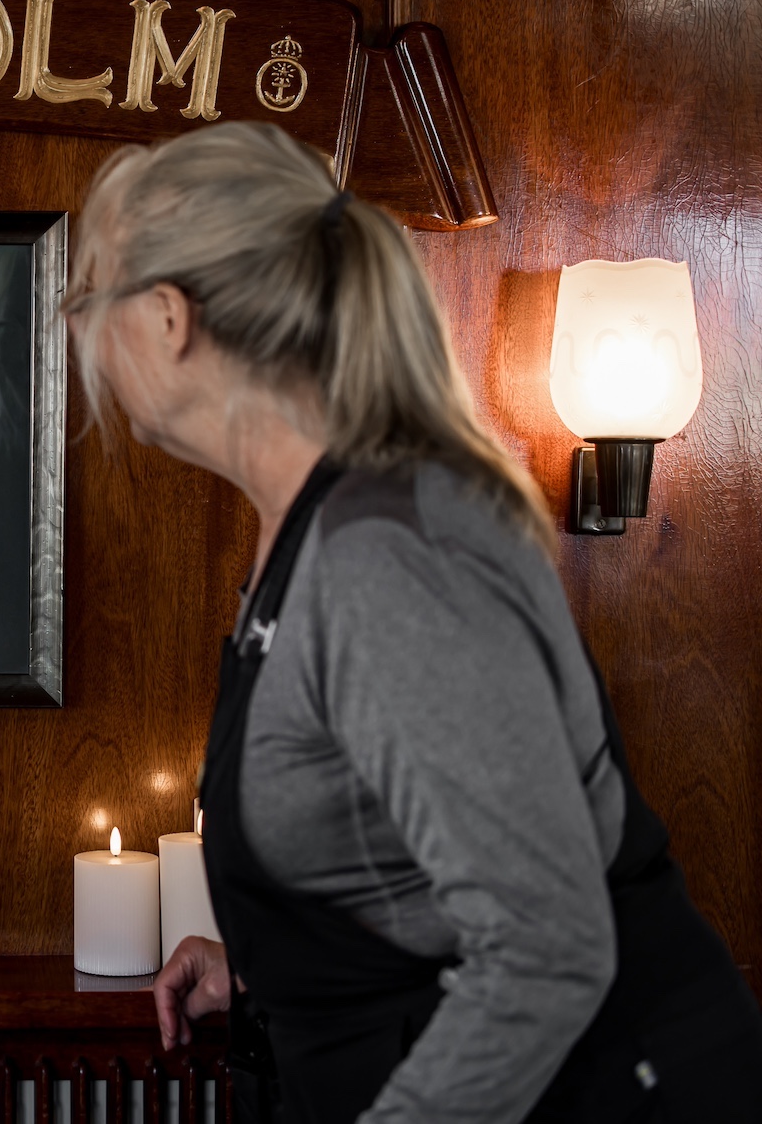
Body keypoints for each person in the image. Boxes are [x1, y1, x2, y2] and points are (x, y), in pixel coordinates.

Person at [62, 122, 761, 1123]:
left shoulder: (384, 554)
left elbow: (545, 946)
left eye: (91, 296)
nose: (80, 328)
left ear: (169, 317)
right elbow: (404, 844)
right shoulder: (313, 526)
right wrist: (285, 966)